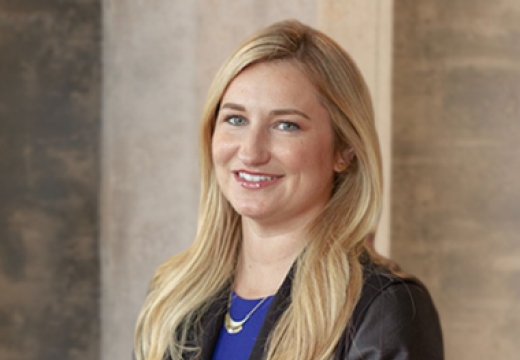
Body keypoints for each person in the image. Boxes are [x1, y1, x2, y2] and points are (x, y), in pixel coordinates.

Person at [134, 20, 443, 360]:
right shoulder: (173, 295)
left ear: (344, 150)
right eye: (236, 119)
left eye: (286, 125)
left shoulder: (384, 310)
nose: (251, 152)